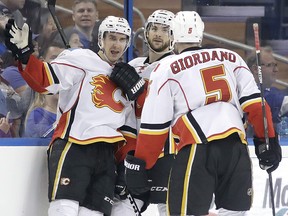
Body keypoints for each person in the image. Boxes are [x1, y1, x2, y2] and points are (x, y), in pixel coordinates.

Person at [124, 11, 282, 216]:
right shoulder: (232, 57)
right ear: (200, 34)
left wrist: (141, 166)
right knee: (233, 212)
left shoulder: (166, 68)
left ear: (173, 36)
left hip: (197, 148)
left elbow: (155, 129)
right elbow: (257, 107)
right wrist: (267, 143)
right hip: (236, 148)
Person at [5, 15, 145, 216]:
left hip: (107, 155)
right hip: (75, 145)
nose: (117, 44)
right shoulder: (81, 59)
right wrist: (26, 57)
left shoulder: (128, 79)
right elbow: (47, 80)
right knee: (65, 209)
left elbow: (133, 125)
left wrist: (125, 163)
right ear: (101, 40)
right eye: (112, 37)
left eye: (122, 39)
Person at [111, 9, 175, 216]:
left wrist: (140, 92)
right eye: (154, 28)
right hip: (137, 151)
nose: (158, 34)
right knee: (124, 208)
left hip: (169, 150)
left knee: (170, 208)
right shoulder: (133, 66)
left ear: (173, 36)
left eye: (165, 30)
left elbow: (171, 109)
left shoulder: (176, 67)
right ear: (145, 33)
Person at [24, 42, 64, 138]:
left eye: (63, 59)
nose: (60, 63)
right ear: (42, 62)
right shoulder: (37, 115)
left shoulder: (73, 113)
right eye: (54, 58)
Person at [246, 46, 288, 136]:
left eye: (276, 65)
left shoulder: (273, 91)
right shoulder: (251, 92)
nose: (276, 70)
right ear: (256, 69)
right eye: (270, 65)